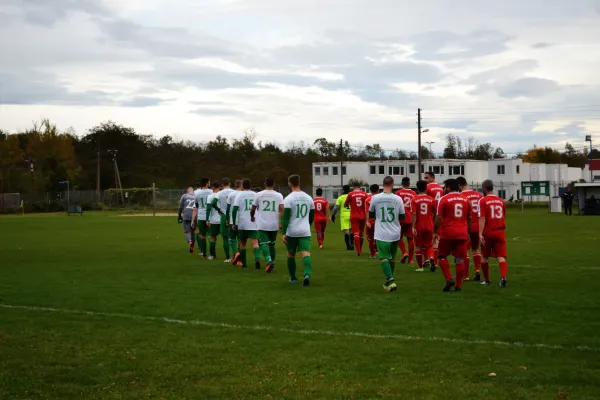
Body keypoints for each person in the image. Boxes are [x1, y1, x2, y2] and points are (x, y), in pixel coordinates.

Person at [368, 176, 406, 292]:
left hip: (382, 232)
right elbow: (402, 216)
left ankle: (391, 280)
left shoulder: (375, 198)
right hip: (395, 232)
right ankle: (388, 281)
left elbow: (371, 214)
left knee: (383, 257)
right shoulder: (398, 199)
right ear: (393, 185)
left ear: (382, 185)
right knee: (392, 258)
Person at [434, 178, 472, 292]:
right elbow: (470, 218)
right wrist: (468, 232)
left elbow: (439, 217)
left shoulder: (443, 199)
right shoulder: (466, 200)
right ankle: (458, 285)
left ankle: (449, 278)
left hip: (447, 232)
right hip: (462, 233)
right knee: (460, 259)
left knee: (442, 256)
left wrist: (435, 231)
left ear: (449, 187)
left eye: (445, 187)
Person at [282, 174, 315, 286]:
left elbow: (285, 218)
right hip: (305, 230)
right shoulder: (308, 197)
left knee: (291, 254)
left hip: (292, 231)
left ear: (289, 184)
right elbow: (311, 216)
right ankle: (306, 274)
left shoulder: (288, 198)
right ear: (299, 183)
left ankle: (293, 278)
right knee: (305, 253)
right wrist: (307, 225)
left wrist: (283, 233)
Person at [478, 179, 508, 287]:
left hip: (488, 232)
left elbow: (482, 218)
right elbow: (503, 215)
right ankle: (503, 276)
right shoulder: (501, 200)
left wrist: (480, 233)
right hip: (499, 231)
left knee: (484, 256)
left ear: (484, 188)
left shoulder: (482, 200)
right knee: (500, 256)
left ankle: (486, 280)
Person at [251, 178, 284, 273]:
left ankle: (269, 261)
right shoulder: (278, 195)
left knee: (264, 243)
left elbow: (253, 208)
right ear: (274, 184)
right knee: (272, 244)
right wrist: (281, 223)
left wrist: (252, 217)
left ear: (265, 184)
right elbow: (282, 209)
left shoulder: (259, 194)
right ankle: (272, 264)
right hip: (274, 223)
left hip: (262, 223)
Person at [457, 176, 483, 281]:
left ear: (459, 185)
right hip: (477, 225)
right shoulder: (478, 194)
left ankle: (466, 275)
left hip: (466, 226)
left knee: (465, 251)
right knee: (476, 249)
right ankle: (477, 270)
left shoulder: (460, 196)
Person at [232, 179, 261, 269]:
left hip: (242, 222)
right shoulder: (255, 194)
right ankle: (257, 260)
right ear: (250, 185)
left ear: (242, 186)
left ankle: (244, 264)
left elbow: (234, 209)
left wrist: (234, 222)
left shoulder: (239, 195)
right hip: (253, 221)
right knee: (255, 242)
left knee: (242, 243)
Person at [410, 180, 436, 272]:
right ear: (426, 188)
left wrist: (413, 226)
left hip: (419, 226)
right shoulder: (432, 199)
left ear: (417, 188)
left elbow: (414, 214)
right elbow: (436, 213)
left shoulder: (414, 199)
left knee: (418, 246)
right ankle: (431, 257)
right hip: (429, 225)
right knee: (429, 246)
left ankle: (420, 267)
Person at [425, 172, 444, 267]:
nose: (425, 180)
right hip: (439, 214)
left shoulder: (427, 187)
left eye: (426, 178)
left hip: (431, 214)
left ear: (432, 178)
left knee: (429, 237)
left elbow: (426, 200)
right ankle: (435, 260)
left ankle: (430, 259)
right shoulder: (441, 188)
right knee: (437, 236)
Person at [395, 177, 417, 264]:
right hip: (410, 218)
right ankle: (411, 259)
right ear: (409, 184)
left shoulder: (398, 193)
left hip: (400, 218)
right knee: (410, 239)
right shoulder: (413, 193)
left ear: (402, 183)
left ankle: (404, 252)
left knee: (398, 237)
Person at [344, 183, 369, 256]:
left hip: (354, 216)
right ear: (360, 188)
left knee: (356, 233)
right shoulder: (365, 194)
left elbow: (345, 204)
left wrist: (350, 204)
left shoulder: (350, 194)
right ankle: (360, 249)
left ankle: (358, 251)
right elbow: (367, 203)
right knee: (361, 233)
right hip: (363, 216)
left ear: (354, 188)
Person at [191, 178, 212, 258]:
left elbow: (195, 207)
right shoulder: (211, 192)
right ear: (207, 183)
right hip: (210, 217)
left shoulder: (197, 193)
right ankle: (211, 253)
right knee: (211, 236)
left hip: (201, 216)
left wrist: (193, 220)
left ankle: (203, 253)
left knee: (202, 235)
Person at [216, 178, 234, 262]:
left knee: (225, 237)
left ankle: (227, 257)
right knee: (235, 237)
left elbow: (213, 202)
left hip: (224, 215)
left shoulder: (219, 193)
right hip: (233, 215)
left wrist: (218, 209)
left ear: (222, 185)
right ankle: (236, 255)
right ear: (229, 183)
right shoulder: (234, 192)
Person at [226, 180, 243, 266]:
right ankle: (240, 260)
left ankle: (236, 253)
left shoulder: (231, 194)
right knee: (241, 241)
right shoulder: (244, 194)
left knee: (231, 239)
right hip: (242, 220)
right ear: (241, 185)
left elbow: (228, 208)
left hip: (233, 220)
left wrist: (227, 219)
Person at [332, 185, 352, 250]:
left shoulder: (340, 198)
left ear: (343, 190)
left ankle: (348, 246)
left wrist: (333, 215)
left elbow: (336, 208)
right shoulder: (352, 197)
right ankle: (352, 244)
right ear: (349, 190)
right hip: (352, 215)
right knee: (352, 231)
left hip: (344, 215)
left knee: (346, 231)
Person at [205, 182, 222, 260]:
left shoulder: (210, 196)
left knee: (212, 238)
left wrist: (207, 219)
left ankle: (212, 255)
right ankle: (229, 256)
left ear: (213, 188)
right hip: (223, 219)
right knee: (227, 238)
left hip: (214, 220)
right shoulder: (223, 195)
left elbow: (208, 208)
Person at [177, 186, 196, 253]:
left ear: (187, 191)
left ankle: (189, 242)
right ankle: (192, 246)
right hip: (195, 215)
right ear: (193, 191)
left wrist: (179, 214)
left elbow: (180, 206)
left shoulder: (184, 196)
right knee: (193, 231)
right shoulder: (196, 196)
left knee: (187, 231)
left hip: (186, 215)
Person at [365, 184, 379, 259]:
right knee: (380, 237)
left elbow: (367, 211)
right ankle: (381, 252)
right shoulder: (381, 198)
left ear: (370, 191)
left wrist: (367, 221)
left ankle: (372, 254)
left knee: (370, 238)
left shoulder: (367, 200)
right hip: (380, 221)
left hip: (371, 221)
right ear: (378, 190)